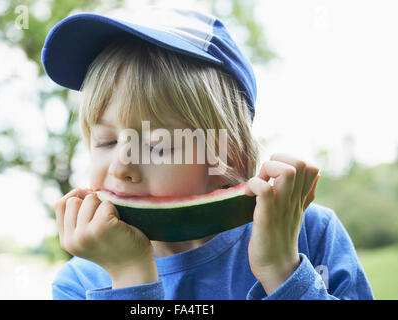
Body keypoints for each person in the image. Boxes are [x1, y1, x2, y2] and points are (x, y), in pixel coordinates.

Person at [42, 7, 374, 300]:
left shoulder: (307, 233)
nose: (120, 166)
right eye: (105, 141)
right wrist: (130, 278)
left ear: (229, 157)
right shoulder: (79, 282)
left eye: (158, 144)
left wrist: (282, 271)